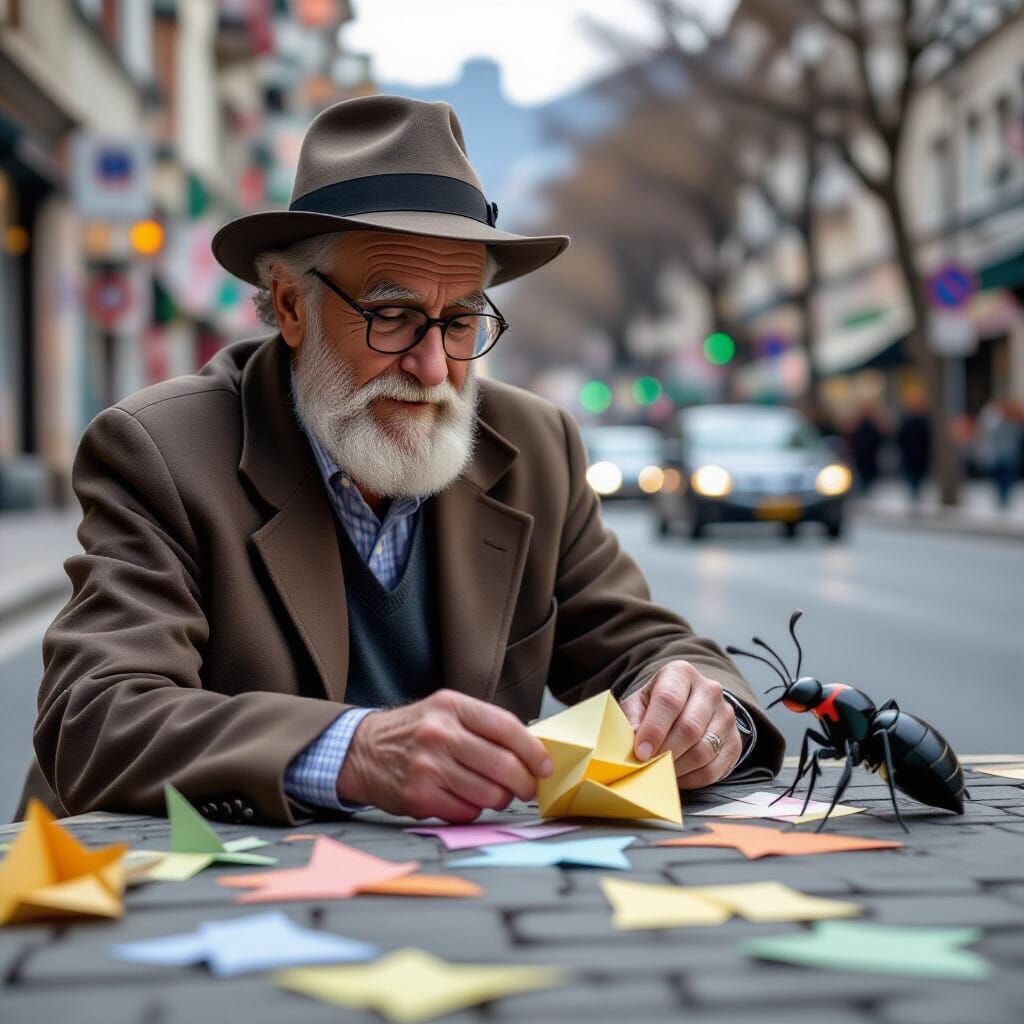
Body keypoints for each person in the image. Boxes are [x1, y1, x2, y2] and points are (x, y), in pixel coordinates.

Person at [27, 96, 783, 827]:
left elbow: (647, 645)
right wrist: (353, 750)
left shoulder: (535, 447)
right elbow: (95, 717)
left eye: (460, 322)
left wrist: (698, 710)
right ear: (290, 306)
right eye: (391, 316)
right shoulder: (161, 451)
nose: (432, 367)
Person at [975, 396, 1023, 509]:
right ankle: (1002, 500)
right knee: (1001, 479)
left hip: (1010, 456)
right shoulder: (999, 423)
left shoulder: (1014, 423)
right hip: (1001, 456)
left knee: (1008, 480)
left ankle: (1005, 499)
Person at [896, 386, 931, 506]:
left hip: (919, 455)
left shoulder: (923, 420)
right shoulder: (907, 420)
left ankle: (916, 495)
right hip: (911, 455)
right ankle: (914, 495)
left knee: (918, 477)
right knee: (912, 477)